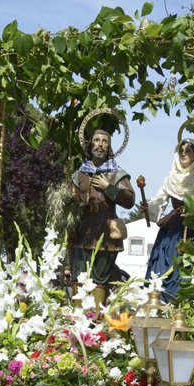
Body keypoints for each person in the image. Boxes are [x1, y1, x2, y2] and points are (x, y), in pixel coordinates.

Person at [71, 127, 135, 307]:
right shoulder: (79, 174)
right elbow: (69, 201)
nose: (100, 144)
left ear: (109, 147)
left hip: (106, 233)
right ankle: (77, 316)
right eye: (97, 140)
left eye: (104, 141)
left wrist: (108, 188)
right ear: (90, 145)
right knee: (79, 276)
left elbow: (129, 201)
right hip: (83, 232)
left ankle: (97, 316)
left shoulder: (116, 173)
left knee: (101, 277)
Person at [144, 139, 194, 301]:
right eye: (181, 150)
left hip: (191, 232)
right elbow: (159, 201)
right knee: (162, 272)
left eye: (188, 151)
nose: (183, 153)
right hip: (171, 233)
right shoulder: (171, 178)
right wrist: (149, 208)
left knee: (186, 273)